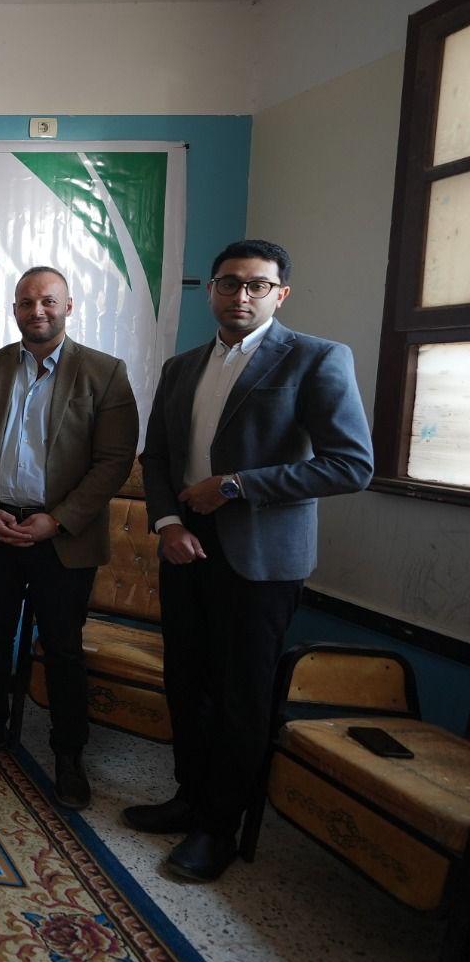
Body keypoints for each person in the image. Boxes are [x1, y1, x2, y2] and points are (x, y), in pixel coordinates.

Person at [130, 239, 373, 881]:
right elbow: (158, 458)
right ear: (211, 289)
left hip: (262, 559)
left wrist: (236, 486)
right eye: (229, 282)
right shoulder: (182, 366)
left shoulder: (316, 358)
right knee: (187, 683)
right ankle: (189, 799)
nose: (241, 295)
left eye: (256, 285)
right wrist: (169, 522)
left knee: (242, 696)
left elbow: (351, 465)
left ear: (279, 294)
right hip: (185, 546)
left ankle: (220, 830)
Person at [0, 267, 138, 809]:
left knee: (63, 648)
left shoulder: (104, 372)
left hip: (63, 537)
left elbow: (114, 460)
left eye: (48, 301)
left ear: (68, 306)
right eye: (27, 302)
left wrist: (58, 519)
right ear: (14, 309)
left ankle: (68, 754)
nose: (38, 311)